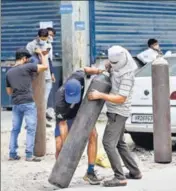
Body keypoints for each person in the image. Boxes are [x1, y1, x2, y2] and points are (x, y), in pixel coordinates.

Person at [88, 45, 142, 187]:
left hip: (118, 112)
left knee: (108, 143)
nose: (113, 65)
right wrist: (107, 67)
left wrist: (100, 95)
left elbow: (121, 98)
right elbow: (112, 73)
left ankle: (119, 177)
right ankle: (135, 171)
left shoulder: (127, 75)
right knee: (119, 143)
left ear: (123, 59)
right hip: (116, 111)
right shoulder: (118, 63)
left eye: (115, 63)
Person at [54, 69, 103, 185]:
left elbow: (84, 69)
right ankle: (61, 172)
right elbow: (63, 124)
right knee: (60, 144)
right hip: (65, 118)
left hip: (81, 112)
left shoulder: (79, 77)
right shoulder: (59, 101)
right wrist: (68, 148)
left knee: (93, 135)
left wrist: (98, 71)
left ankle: (90, 172)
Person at [6, 47, 48, 161]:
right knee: (30, 128)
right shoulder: (28, 67)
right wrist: (41, 55)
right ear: (24, 58)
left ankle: (12, 153)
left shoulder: (9, 72)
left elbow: (9, 92)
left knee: (15, 129)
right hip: (28, 102)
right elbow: (45, 67)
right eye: (27, 58)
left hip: (16, 103)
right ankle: (29, 155)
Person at [26, 28, 53, 127]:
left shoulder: (48, 45)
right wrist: (35, 53)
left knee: (44, 100)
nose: (43, 41)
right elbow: (26, 59)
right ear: (38, 37)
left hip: (46, 76)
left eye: (45, 39)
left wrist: (52, 73)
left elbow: (49, 60)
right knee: (33, 99)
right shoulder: (31, 45)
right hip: (34, 77)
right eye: (42, 39)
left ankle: (42, 121)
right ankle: (31, 121)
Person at [46, 27, 57, 120]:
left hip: (46, 71)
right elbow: (48, 60)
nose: (50, 37)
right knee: (44, 94)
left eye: (52, 35)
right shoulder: (45, 45)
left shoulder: (49, 44)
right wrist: (52, 73)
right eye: (49, 34)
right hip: (44, 72)